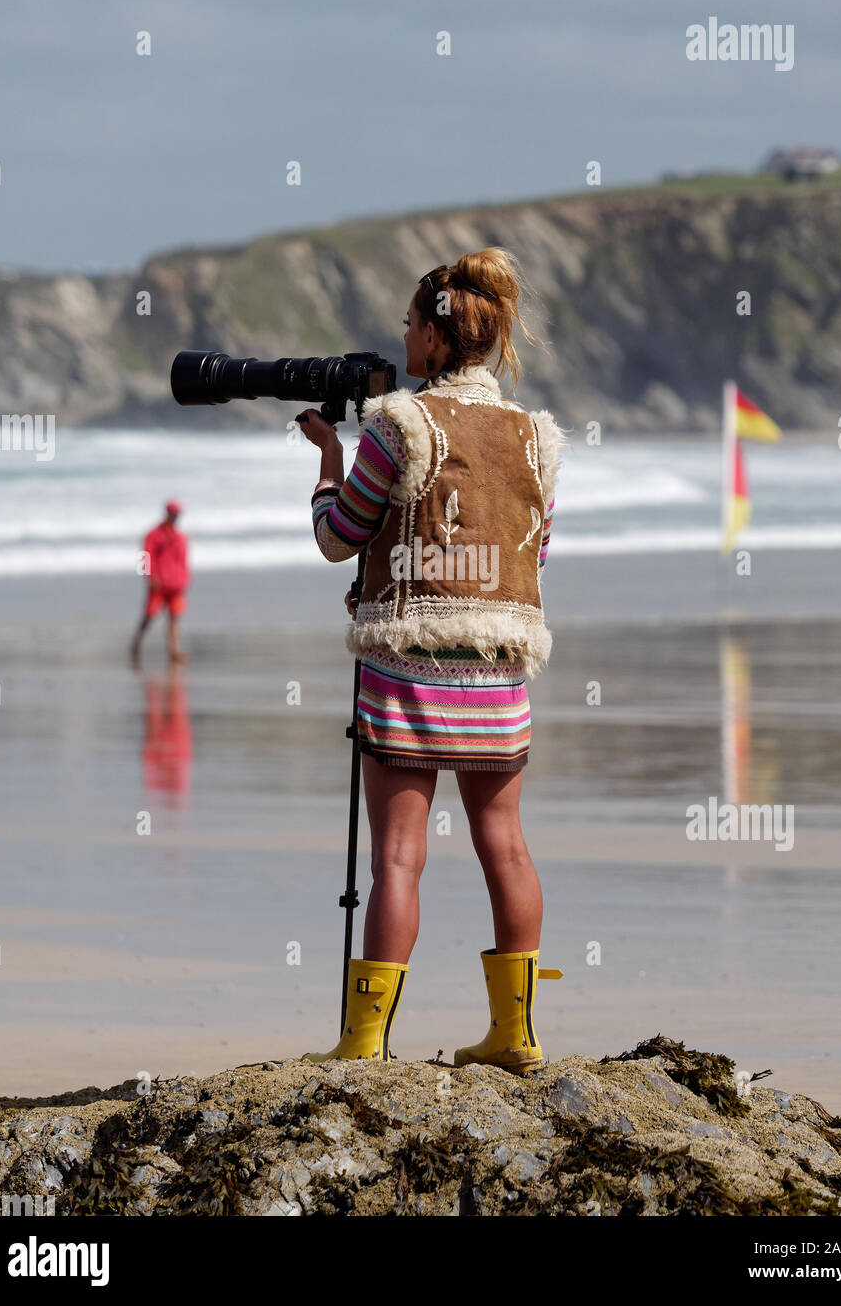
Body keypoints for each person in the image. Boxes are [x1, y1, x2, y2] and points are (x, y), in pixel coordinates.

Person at [297, 247, 568, 1071]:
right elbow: (533, 552)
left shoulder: (397, 424)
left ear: (439, 341)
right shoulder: (535, 436)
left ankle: (365, 1039)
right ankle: (515, 1034)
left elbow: (337, 538)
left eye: (411, 325)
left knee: (397, 858)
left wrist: (327, 464)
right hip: (498, 666)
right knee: (506, 845)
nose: (403, 339)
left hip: (407, 668)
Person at [130, 501, 190, 667]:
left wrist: (185, 579)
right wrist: (149, 577)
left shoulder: (180, 537)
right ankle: (136, 643)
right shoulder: (154, 534)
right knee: (149, 616)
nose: (176, 517)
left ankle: (174, 650)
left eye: (178, 514)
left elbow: (184, 560)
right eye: (174, 513)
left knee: (174, 617)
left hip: (176, 583)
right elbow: (145, 556)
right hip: (159, 583)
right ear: (167, 513)